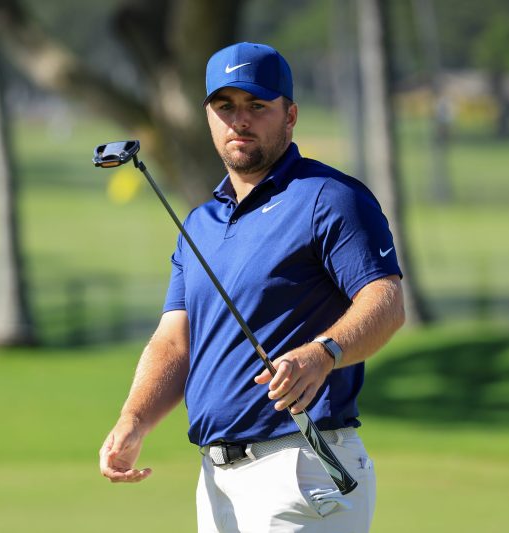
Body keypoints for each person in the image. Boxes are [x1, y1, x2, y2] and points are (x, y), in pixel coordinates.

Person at [100, 42, 405, 532]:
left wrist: (323, 353)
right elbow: (174, 342)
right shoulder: (200, 223)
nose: (239, 121)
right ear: (208, 117)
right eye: (225, 107)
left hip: (302, 467)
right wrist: (134, 419)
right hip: (216, 481)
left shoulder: (330, 198)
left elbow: (385, 301)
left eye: (257, 106)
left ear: (290, 115)